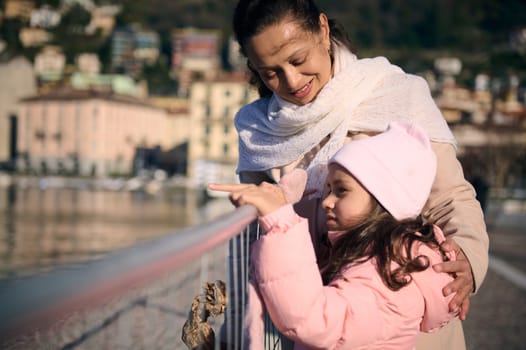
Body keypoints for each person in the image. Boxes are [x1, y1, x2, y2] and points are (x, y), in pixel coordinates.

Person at [229, 0, 489, 349]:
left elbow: (450, 198)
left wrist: (469, 263)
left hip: (409, 319)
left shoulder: (398, 95)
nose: (291, 81)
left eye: (298, 59)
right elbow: (256, 238)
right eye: (270, 72)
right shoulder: (258, 132)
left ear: (322, 30)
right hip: (317, 323)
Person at [210, 122, 460, 349]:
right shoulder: (374, 255)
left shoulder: (390, 273)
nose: (326, 202)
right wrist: (287, 202)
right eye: (328, 188)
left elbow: (316, 322)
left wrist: (281, 222)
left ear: (384, 200)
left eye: (341, 190)